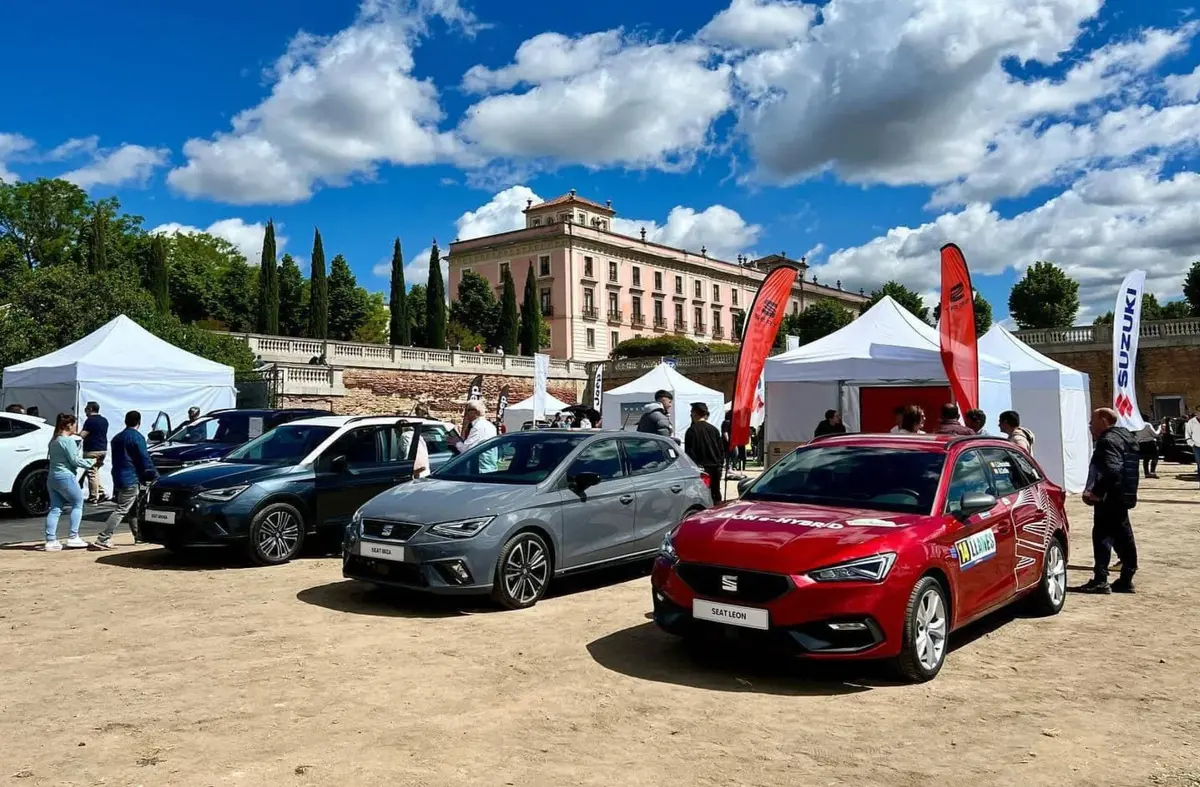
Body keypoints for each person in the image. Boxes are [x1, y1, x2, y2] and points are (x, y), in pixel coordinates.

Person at [1077, 408, 1140, 594]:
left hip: (1109, 497)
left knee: (1102, 536)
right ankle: (1126, 577)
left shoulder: (1107, 440)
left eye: (1092, 421)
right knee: (1123, 535)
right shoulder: (1127, 437)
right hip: (1125, 494)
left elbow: (1112, 470)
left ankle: (1101, 579)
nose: (1089, 426)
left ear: (1103, 420)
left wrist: (1096, 492)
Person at [91, 411, 159, 550]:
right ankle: (103, 537)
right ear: (139, 422)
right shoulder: (137, 437)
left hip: (118, 475)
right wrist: (154, 474)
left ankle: (139, 536)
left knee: (133, 508)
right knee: (122, 509)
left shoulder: (117, 438)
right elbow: (143, 458)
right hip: (131, 477)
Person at [44, 413, 95, 551]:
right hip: (66, 477)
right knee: (77, 504)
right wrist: (92, 462)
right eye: (74, 424)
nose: (76, 427)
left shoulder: (54, 440)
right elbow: (75, 460)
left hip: (52, 477)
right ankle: (73, 537)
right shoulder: (68, 441)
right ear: (69, 425)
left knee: (55, 509)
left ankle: (50, 540)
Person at [684, 402, 726, 504]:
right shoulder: (714, 430)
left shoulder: (691, 431)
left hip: (701, 469)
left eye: (691, 413)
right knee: (716, 493)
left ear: (695, 414)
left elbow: (689, 453)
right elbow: (721, 449)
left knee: (701, 495)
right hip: (716, 467)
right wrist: (720, 464)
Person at [453, 399, 498, 472]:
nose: (465, 413)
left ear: (475, 411)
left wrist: (456, 443)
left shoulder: (478, 427)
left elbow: (467, 450)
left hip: (480, 470)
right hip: (489, 467)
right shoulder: (490, 425)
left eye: (467, 410)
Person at [79, 401, 110, 504]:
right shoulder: (104, 420)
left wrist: (74, 434)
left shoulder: (90, 421)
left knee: (91, 473)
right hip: (103, 450)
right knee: (95, 472)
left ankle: (94, 497)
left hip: (92, 450)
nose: (85, 411)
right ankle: (101, 493)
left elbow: (83, 435)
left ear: (91, 409)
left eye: (86, 409)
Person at [1186, 412, 1200, 487]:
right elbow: (1188, 433)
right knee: (1199, 461)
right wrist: (1191, 443)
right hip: (1196, 445)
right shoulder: (1191, 422)